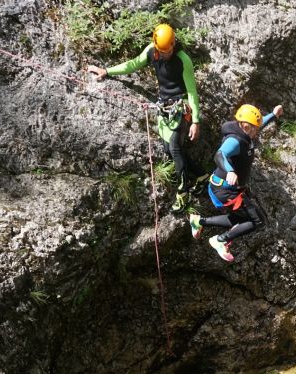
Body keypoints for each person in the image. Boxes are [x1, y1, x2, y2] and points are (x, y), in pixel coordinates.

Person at [86, 24, 205, 210]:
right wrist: (107, 71)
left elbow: (191, 92)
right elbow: (133, 64)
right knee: (168, 149)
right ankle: (200, 175)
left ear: (174, 43)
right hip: (165, 106)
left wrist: (195, 121)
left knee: (174, 147)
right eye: (162, 50)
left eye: (169, 49)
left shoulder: (183, 60)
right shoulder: (152, 51)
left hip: (181, 107)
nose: (166, 53)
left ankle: (184, 191)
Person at [188, 103, 282, 262]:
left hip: (227, 189)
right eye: (254, 128)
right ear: (245, 126)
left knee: (243, 219)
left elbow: (260, 123)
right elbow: (219, 155)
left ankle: (199, 221)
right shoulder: (235, 140)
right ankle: (220, 240)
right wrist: (230, 170)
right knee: (257, 221)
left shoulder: (246, 133)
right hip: (225, 191)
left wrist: (273, 114)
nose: (257, 131)